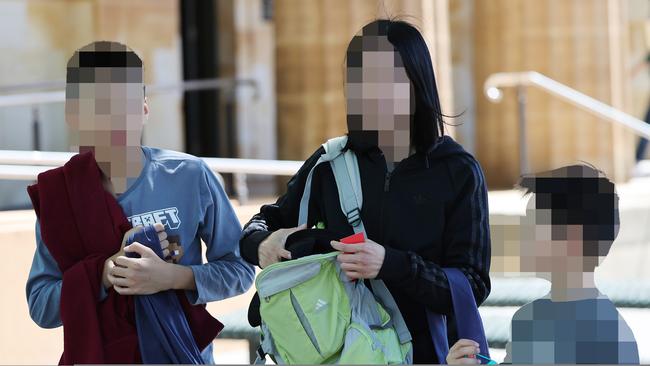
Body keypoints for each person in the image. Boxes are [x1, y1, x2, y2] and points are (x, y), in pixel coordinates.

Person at [239, 19, 491, 364]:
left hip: (432, 355)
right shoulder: (331, 162)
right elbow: (262, 224)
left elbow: (472, 285)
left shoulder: (458, 171)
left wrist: (391, 263)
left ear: (417, 81)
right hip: (344, 354)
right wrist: (262, 244)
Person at [25, 41, 254, 364]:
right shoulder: (60, 196)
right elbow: (40, 305)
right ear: (73, 114)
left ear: (144, 107)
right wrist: (104, 274)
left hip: (181, 354)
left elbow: (240, 270)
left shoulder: (189, 175)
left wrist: (173, 277)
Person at [446, 164, 639, 364]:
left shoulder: (607, 335)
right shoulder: (527, 318)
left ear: (572, 237)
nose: (524, 233)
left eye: (534, 223)